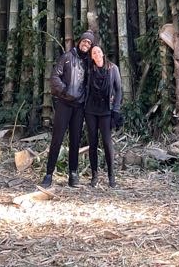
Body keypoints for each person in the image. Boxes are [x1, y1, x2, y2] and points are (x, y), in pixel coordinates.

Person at [40, 30, 95, 188]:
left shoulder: (88, 62)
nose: (86, 44)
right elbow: (55, 76)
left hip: (79, 106)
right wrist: (64, 91)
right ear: (80, 42)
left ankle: (73, 174)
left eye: (89, 43)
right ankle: (49, 174)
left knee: (75, 141)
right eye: (84, 41)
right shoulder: (67, 57)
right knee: (57, 139)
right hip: (64, 104)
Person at [84, 44, 122, 188]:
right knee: (92, 143)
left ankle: (111, 176)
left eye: (98, 51)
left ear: (103, 53)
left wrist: (116, 109)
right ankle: (94, 176)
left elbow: (118, 90)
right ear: (91, 56)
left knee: (107, 143)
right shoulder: (89, 69)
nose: (97, 54)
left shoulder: (113, 69)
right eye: (94, 53)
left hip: (106, 111)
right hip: (90, 110)